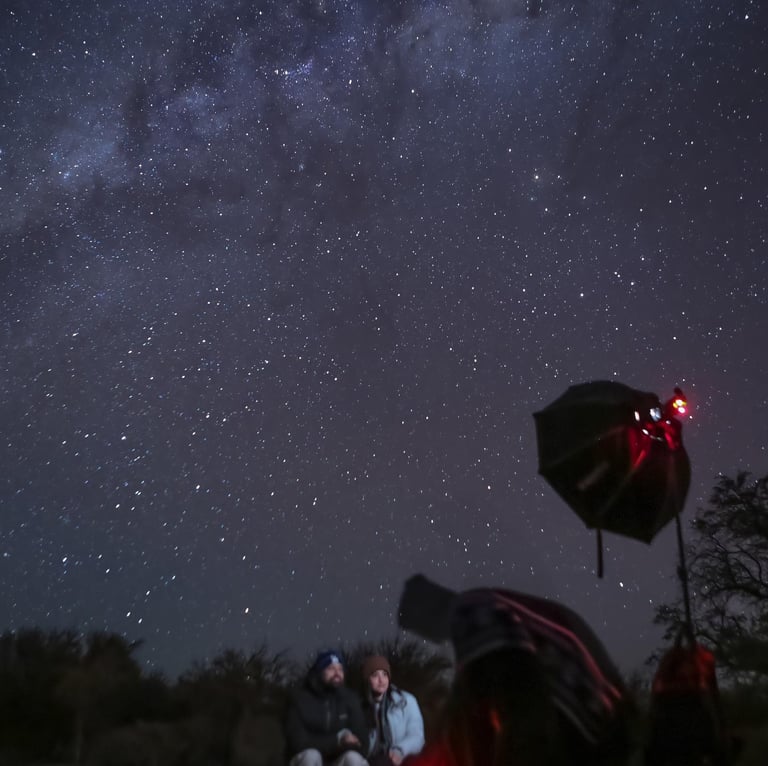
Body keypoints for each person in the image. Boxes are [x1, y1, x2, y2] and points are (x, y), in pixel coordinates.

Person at [398, 575, 635, 766]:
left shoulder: (467, 612)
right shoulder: (480, 604)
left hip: (589, 717)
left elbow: (508, 692)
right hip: (606, 713)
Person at [284, 649, 370, 766]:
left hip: (337, 761)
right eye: (331, 668)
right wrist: (338, 740)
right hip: (308, 759)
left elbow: (362, 743)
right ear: (319, 672)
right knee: (311, 755)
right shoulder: (300, 700)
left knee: (354, 759)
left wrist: (341, 745)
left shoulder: (350, 699)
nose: (337, 673)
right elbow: (298, 743)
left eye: (340, 669)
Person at [361, 654, 425, 765]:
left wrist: (400, 750)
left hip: (402, 757)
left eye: (385, 674)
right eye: (375, 675)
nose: (381, 680)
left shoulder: (405, 701)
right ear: (367, 679)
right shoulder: (361, 706)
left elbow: (417, 735)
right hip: (372, 760)